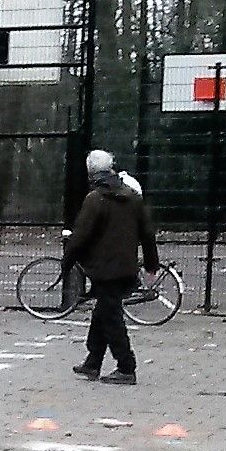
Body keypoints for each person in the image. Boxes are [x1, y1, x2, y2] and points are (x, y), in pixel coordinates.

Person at [63, 149, 160, 386]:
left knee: (111, 317)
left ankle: (126, 366)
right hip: (125, 267)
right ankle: (93, 361)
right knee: (103, 312)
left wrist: (67, 261)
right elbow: (147, 234)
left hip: (103, 268)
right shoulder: (133, 198)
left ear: (90, 172)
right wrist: (151, 264)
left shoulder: (95, 199)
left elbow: (81, 235)